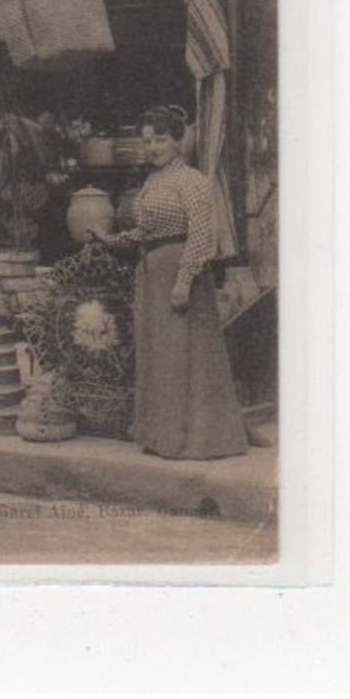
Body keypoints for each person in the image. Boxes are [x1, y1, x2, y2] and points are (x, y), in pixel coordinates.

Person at [94, 106, 248, 460]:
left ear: (178, 141)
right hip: (152, 277)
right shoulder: (153, 182)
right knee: (159, 358)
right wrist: (110, 240)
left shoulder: (193, 181)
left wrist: (183, 281)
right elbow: (146, 233)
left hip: (182, 277)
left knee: (185, 359)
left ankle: (195, 440)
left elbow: (200, 236)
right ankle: (161, 437)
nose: (152, 147)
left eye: (160, 139)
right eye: (147, 141)